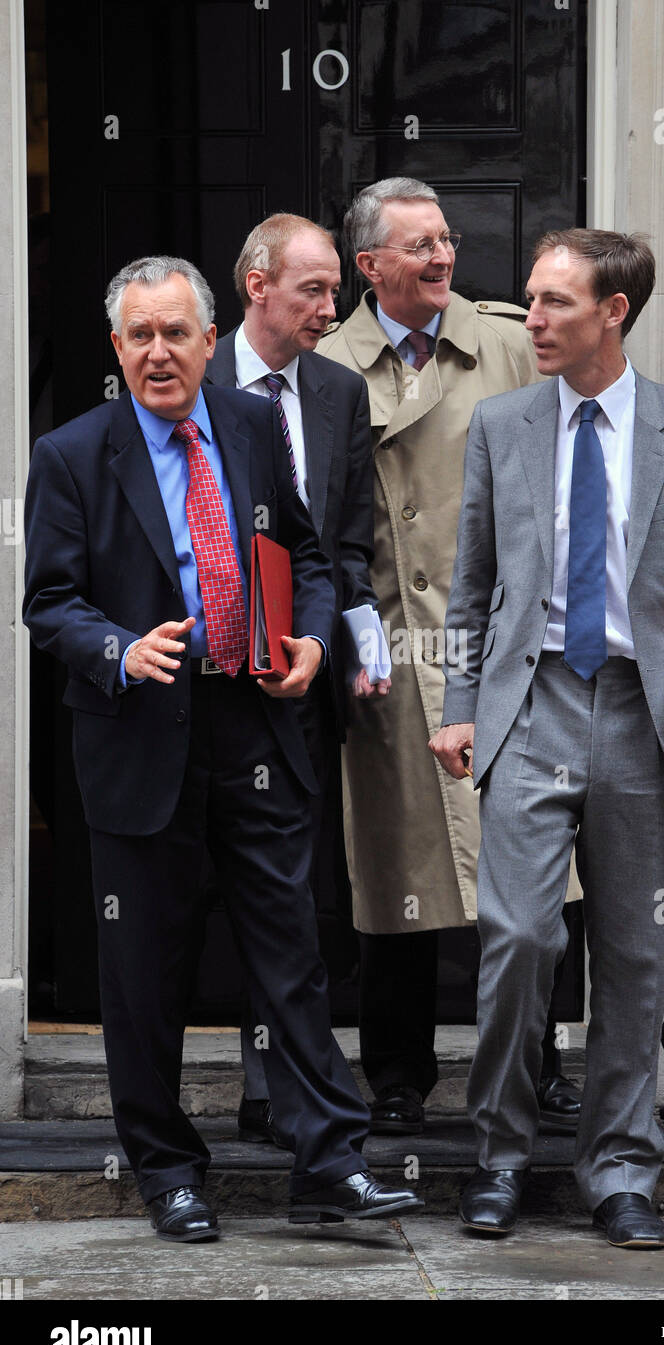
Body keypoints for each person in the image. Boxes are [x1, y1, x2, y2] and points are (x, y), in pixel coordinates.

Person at [23, 255, 422, 1241]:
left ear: (212, 340)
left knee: (291, 956)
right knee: (145, 972)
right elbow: (48, 604)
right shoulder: (72, 455)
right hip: (141, 737)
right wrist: (118, 646)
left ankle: (330, 1159)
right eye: (139, 336)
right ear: (116, 349)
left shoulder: (247, 426)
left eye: (176, 333)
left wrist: (313, 640)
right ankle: (168, 1171)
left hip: (255, 723)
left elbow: (311, 553)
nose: (159, 352)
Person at [430, 229, 664, 1245]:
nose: (529, 318)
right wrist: (457, 704)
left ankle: (620, 1169)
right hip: (528, 709)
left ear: (611, 312)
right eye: (530, 299)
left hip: (642, 714)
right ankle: (493, 1155)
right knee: (522, 937)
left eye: (552, 302)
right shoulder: (500, 424)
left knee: (631, 954)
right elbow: (471, 589)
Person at [316, 177, 583, 1137]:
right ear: (368, 266)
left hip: (504, 647)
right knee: (397, 869)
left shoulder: (511, 342)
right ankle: (395, 1073)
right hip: (387, 646)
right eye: (419, 245)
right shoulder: (327, 359)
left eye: (446, 240)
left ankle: (540, 1059)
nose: (442, 257)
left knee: (534, 867)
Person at [204, 213, 389, 1146]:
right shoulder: (194, 380)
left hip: (302, 674)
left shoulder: (336, 391)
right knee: (205, 885)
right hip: (199, 677)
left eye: (333, 291)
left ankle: (273, 1084)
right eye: (313, 290)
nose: (331, 309)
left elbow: (344, 540)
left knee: (292, 890)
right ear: (256, 286)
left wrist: (346, 638)